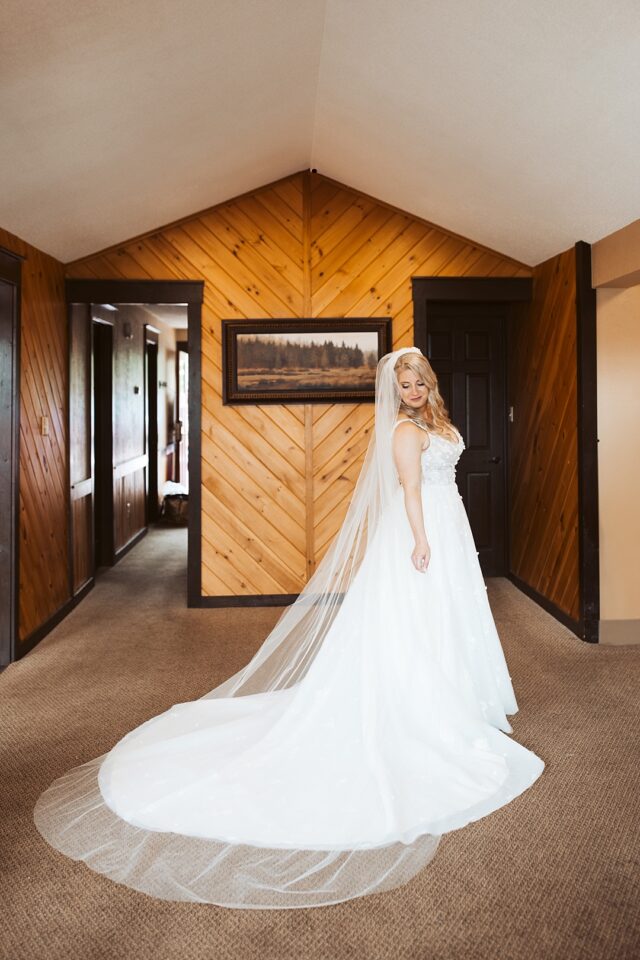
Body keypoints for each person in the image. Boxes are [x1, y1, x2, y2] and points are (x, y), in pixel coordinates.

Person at [34, 346, 544, 910]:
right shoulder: (404, 432)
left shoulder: (435, 421)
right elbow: (412, 492)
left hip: (450, 526)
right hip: (424, 530)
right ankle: (421, 703)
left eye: (419, 380)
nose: (413, 390)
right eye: (404, 384)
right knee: (416, 620)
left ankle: (456, 696)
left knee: (448, 615)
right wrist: (422, 541)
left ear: (429, 381)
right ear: (394, 391)